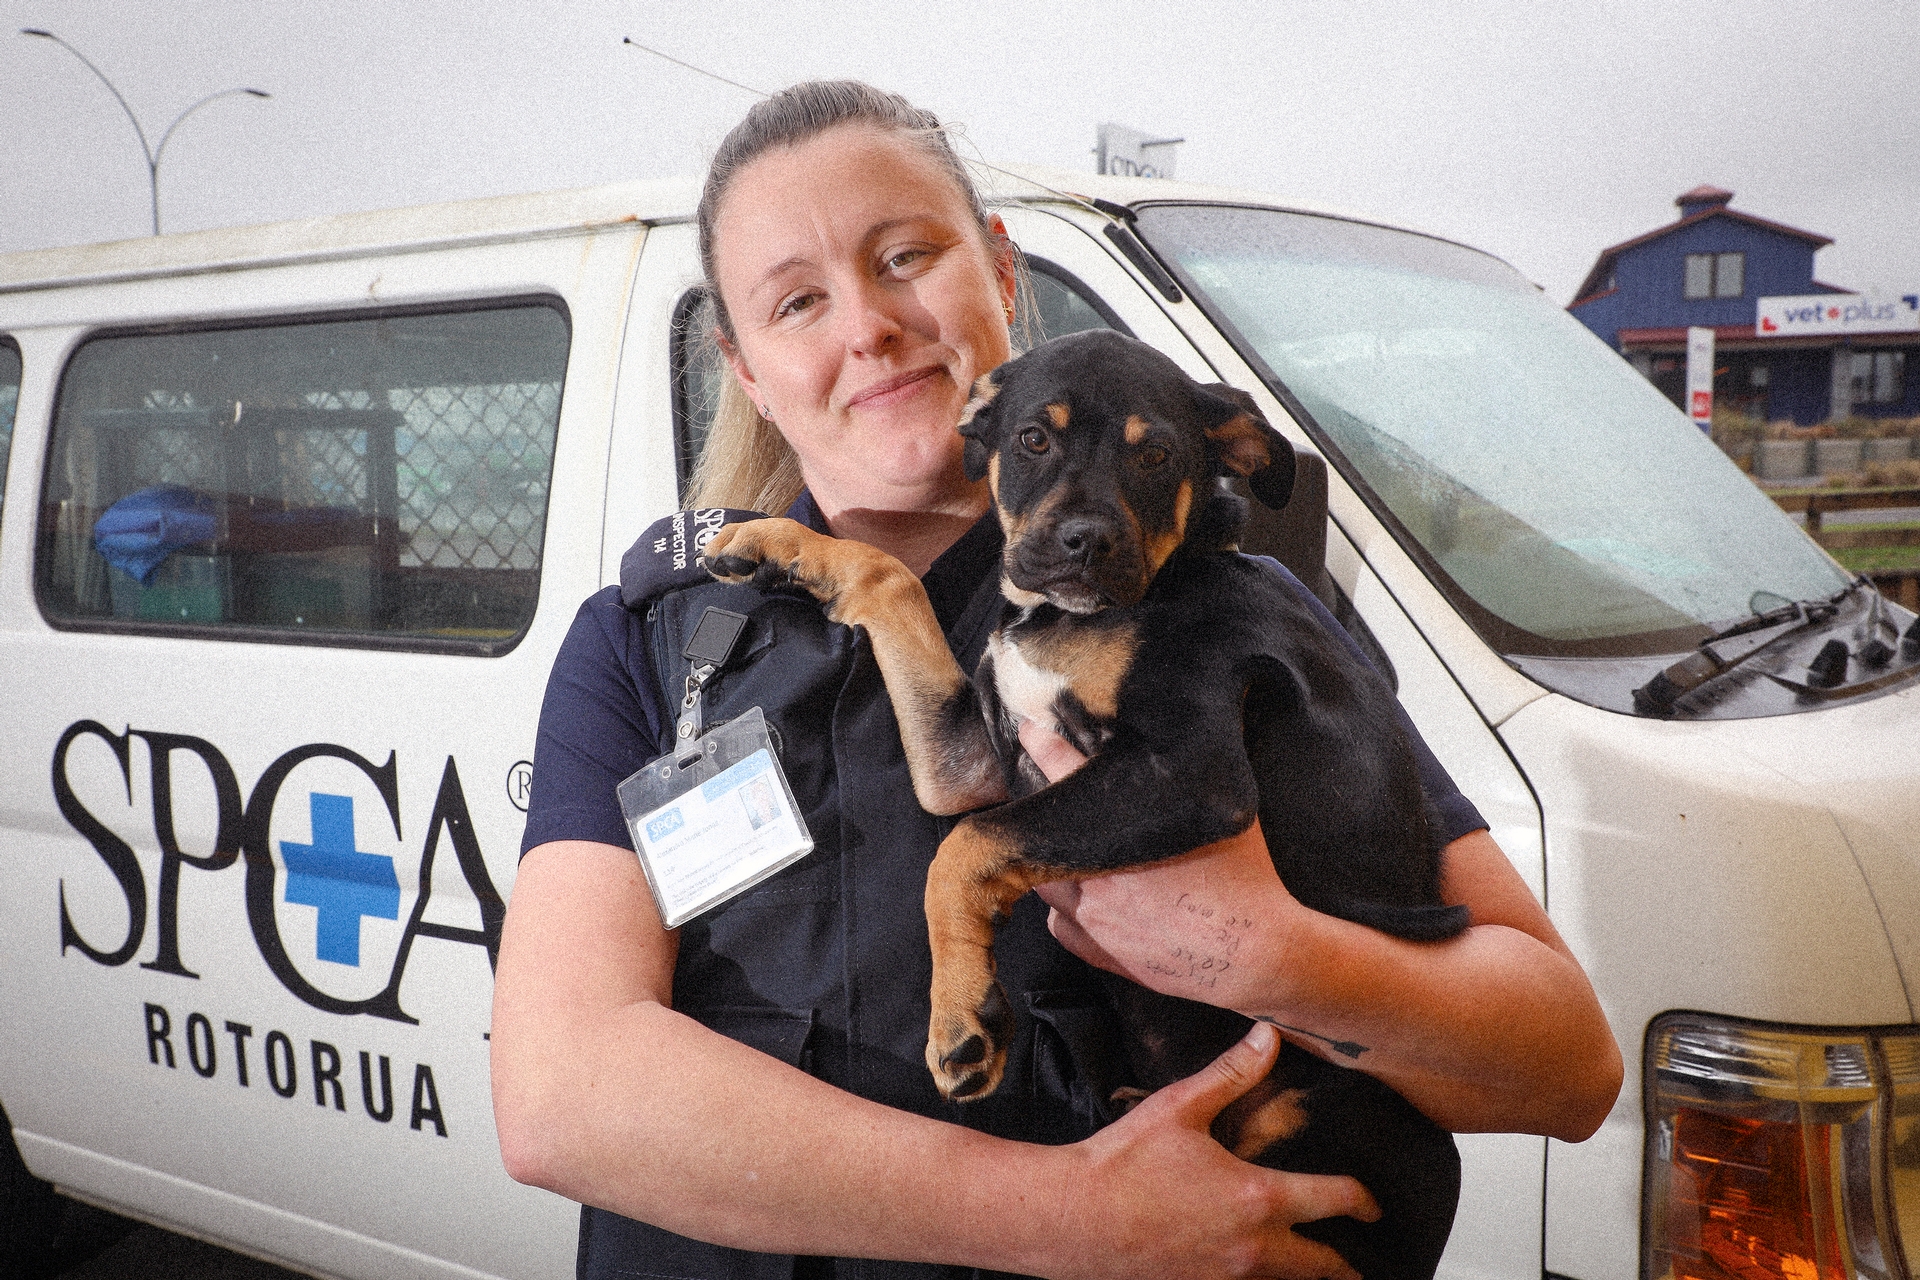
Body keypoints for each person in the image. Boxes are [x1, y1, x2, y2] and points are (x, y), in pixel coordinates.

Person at [490, 80, 1622, 1280]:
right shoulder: (647, 644)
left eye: (906, 255)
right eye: (799, 300)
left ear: (1001, 270)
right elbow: (561, 1091)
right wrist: (1077, 1214)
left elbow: (1567, 1067)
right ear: (747, 367)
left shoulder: (1212, 609)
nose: (867, 325)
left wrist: (1280, 954)